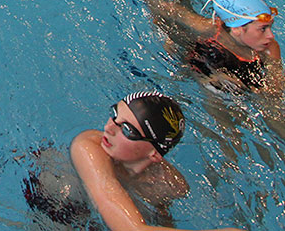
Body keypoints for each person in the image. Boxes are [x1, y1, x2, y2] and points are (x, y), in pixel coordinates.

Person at [69, 91, 245, 231]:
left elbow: (161, 223)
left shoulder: (168, 185)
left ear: (154, 153)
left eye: (128, 130)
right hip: (54, 206)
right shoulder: (88, 147)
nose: (109, 127)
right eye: (114, 114)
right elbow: (131, 228)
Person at [146, 0, 285, 94]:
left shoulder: (269, 48)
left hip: (243, 84)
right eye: (263, 29)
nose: (271, 36)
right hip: (204, 71)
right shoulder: (207, 28)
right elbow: (166, 9)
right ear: (236, 29)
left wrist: (246, 89)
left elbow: (275, 93)